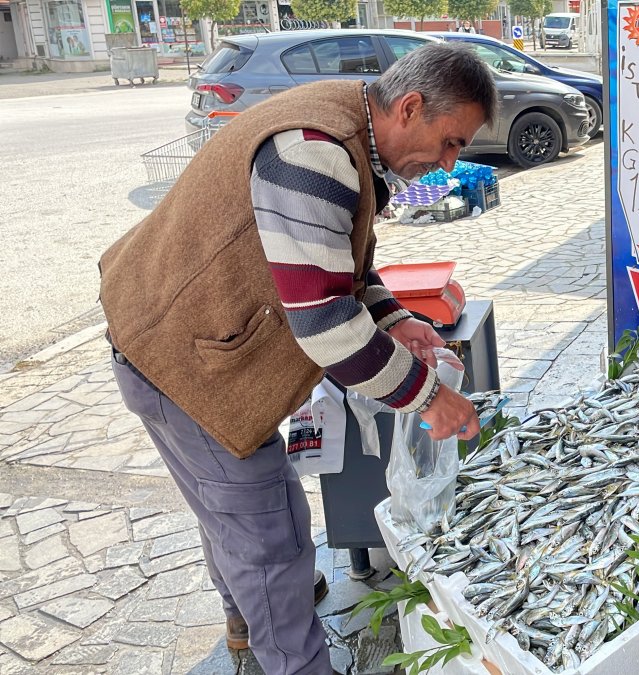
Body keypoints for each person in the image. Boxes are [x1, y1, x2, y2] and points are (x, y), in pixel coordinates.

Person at [98, 43, 496, 674]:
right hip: (181, 362)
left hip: (195, 351)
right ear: (412, 107)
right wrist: (428, 395)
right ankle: (290, 654)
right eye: (450, 142)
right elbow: (327, 324)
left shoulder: (353, 134)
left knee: (239, 509)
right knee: (266, 534)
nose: (450, 163)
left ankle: (248, 620)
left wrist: (400, 323)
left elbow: (344, 267)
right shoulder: (314, 149)